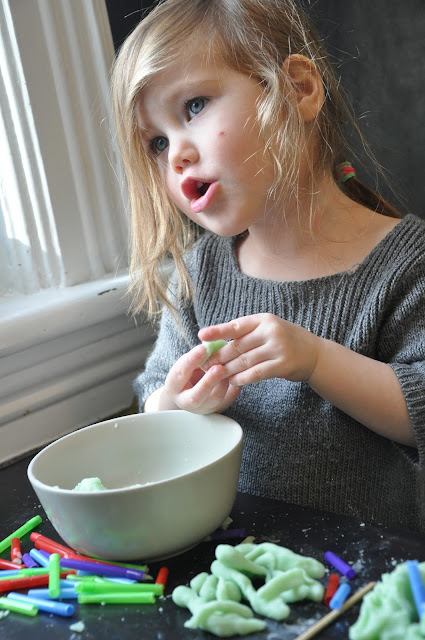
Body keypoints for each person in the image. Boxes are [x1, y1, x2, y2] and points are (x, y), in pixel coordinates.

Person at [111, 0, 425, 532]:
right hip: (235, 565)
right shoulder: (201, 273)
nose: (176, 154)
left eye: (193, 106)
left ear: (298, 90)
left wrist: (316, 361)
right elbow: (155, 396)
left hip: (364, 570)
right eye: (157, 143)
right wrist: (175, 403)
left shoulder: (405, 265)